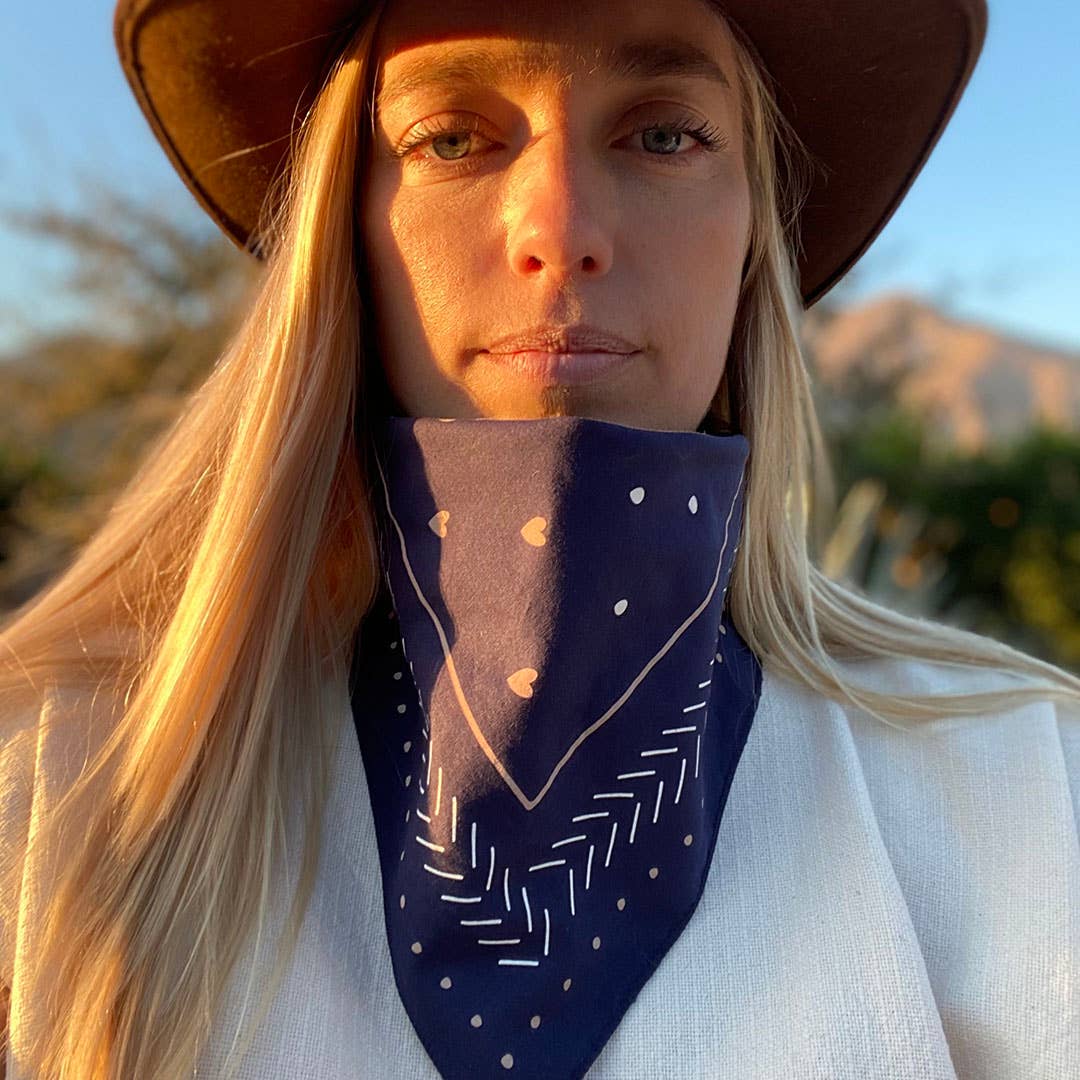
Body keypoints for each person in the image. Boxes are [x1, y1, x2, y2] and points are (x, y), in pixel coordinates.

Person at [0, 0, 1077, 1076]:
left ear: (756, 232)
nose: (559, 231)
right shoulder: (45, 786)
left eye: (665, 134)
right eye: (449, 139)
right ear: (347, 228)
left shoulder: (1029, 786)